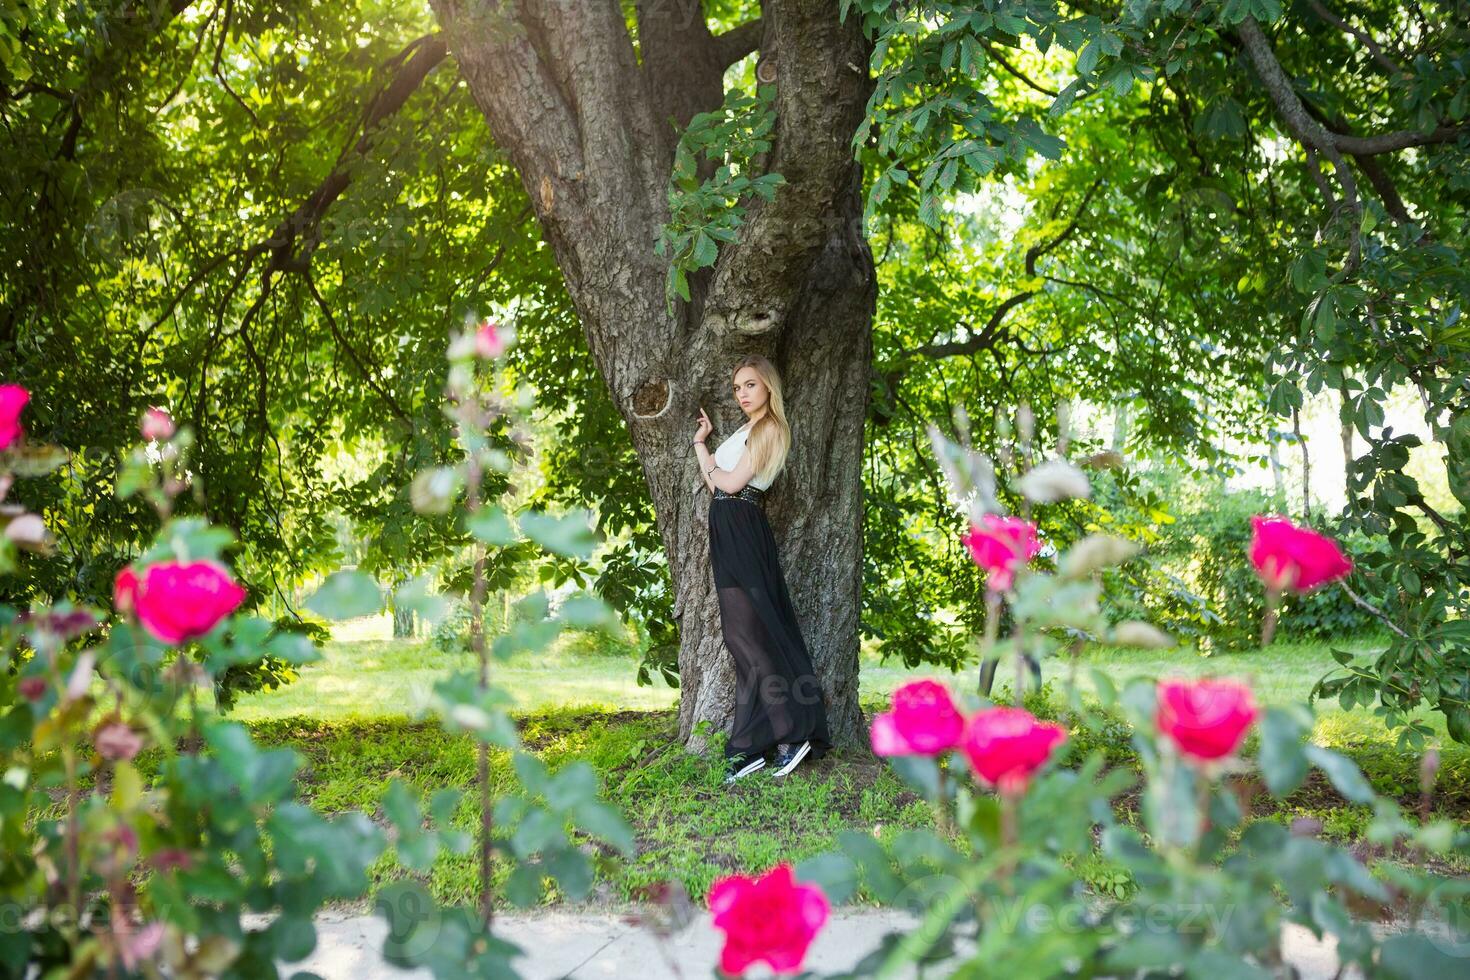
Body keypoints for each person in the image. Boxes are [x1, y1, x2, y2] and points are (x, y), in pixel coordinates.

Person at [692, 355, 833, 785]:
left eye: (750, 385)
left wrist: (717, 467)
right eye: (737, 388)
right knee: (741, 638)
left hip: (743, 524)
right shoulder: (744, 430)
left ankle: (792, 734)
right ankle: (750, 747)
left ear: (768, 387)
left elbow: (733, 485)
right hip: (727, 523)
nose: (742, 394)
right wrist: (702, 444)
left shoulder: (771, 428)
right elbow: (716, 484)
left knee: (749, 637)